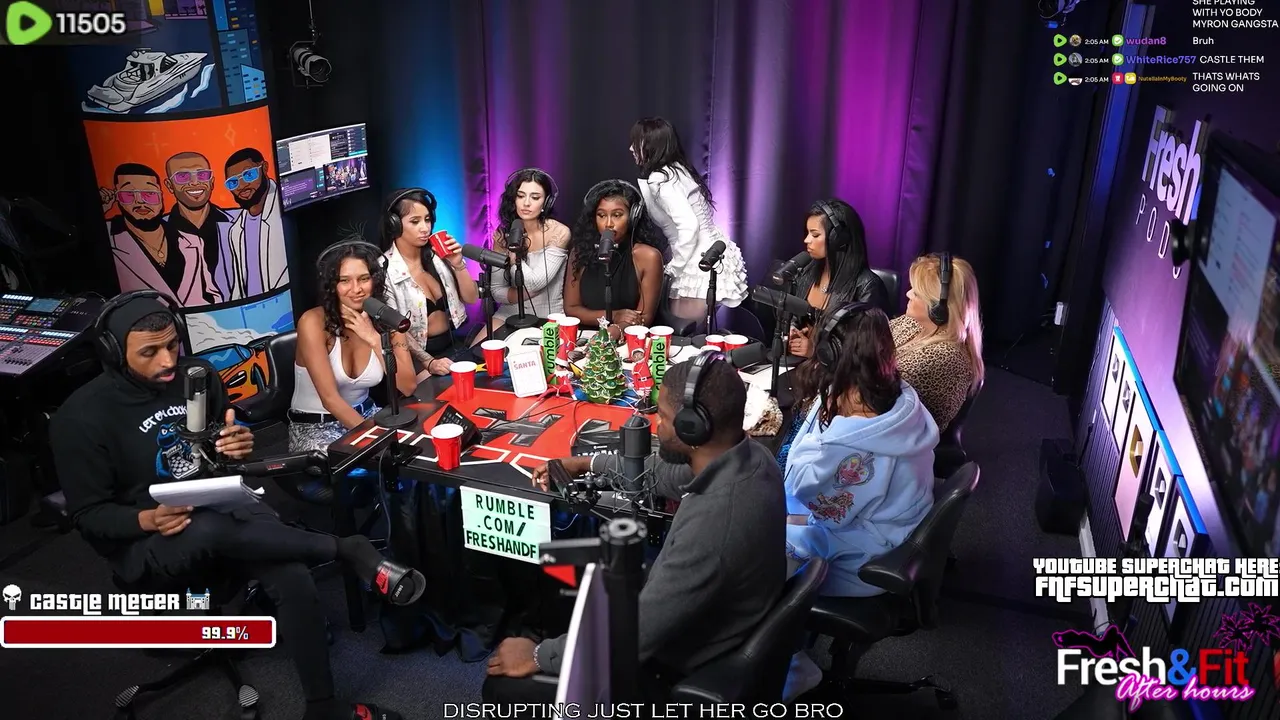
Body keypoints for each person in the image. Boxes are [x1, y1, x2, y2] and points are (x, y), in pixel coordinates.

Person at [49, 291, 423, 720]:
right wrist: (147, 518)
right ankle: (343, 548)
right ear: (113, 353)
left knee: (291, 572)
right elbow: (88, 516)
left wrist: (236, 447)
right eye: (149, 353)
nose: (168, 361)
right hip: (151, 538)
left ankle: (323, 707)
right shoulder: (81, 418)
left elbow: (217, 454)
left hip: (221, 508)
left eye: (172, 345)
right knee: (208, 528)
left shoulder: (197, 375)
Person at [482, 353, 785, 706]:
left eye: (665, 417)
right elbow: (661, 474)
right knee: (567, 572)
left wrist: (538, 657)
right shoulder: (751, 458)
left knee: (501, 690)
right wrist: (586, 463)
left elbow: (632, 638)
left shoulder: (715, 526)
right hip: (705, 623)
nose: (657, 426)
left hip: (673, 668)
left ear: (693, 428)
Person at [777, 302, 938, 699]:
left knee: (755, 553)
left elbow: (800, 489)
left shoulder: (854, 445)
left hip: (868, 559)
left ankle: (788, 666)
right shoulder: (897, 397)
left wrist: (814, 436)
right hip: (890, 533)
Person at [290, 240, 419, 452]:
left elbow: (408, 386)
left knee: (417, 448)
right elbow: (330, 399)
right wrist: (377, 441)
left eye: (364, 279)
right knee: (368, 462)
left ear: (375, 280)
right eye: (345, 281)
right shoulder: (312, 322)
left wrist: (374, 339)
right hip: (316, 426)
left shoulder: (387, 319)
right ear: (332, 286)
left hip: (368, 415)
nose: (356, 289)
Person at [630, 117, 749, 323]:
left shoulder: (662, 179)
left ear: (651, 145)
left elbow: (689, 226)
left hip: (697, 261)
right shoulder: (676, 169)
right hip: (710, 252)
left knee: (684, 332)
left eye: (636, 142)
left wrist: (674, 268)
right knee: (689, 331)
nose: (631, 148)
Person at [381, 188, 480, 375]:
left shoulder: (439, 256)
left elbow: (472, 298)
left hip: (453, 344)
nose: (425, 228)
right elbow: (395, 330)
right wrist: (429, 362)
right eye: (415, 221)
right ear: (394, 224)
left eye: (427, 220)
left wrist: (458, 265)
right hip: (416, 359)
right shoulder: (385, 271)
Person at [890, 253, 985, 432]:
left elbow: (878, 400)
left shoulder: (944, 357)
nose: (908, 294)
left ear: (938, 308)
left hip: (899, 436)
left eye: (916, 293)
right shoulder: (915, 323)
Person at [786, 199, 889, 357]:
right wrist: (792, 331)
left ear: (837, 239)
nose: (806, 240)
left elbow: (866, 350)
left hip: (838, 371)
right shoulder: (807, 272)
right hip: (801, 364)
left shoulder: (868, 286)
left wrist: (816, 352)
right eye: (807, 233)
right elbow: (794, 314)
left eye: (815, 234)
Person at [563, 179, 666, 331]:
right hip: (585, 336)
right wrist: (612, 316)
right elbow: (571, 309)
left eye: (617, 215)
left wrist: (613, 332)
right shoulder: (580, 252)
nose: (608, 223)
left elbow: (644, 317)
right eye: (601, 215)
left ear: (632, 217)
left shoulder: (648, 257)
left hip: (629, 336)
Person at [482, 168, 572, 338]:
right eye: (521, 196)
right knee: (479, 351)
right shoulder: (502, 234)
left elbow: (534, 283)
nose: (526, 203)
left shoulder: (559, 233)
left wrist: (513, 255)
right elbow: (497, 291)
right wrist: (527, 294)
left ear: (546, 202)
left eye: (535, 197)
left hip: (548, 316)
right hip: (509, 312)